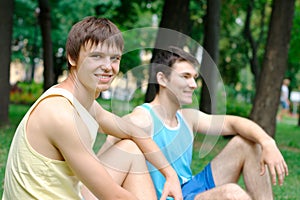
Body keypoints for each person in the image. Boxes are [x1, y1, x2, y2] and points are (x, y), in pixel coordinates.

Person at [2, 17, 182, 200]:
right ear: (72, 58)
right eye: (96, 56)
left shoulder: (85, 104)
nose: (107, 67)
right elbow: (112, 196)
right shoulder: (60, 114)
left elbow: (134, 132)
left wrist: (170, 174)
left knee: (130, 149)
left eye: (115, 58)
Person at [101, 46, 289, 200]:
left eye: (194, 78)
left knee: (246, 143)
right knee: (232, 194)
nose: (193, 85)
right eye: (185, 76)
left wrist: (268, 143)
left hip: (190, 188)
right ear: (162, 79)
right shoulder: (141, 119)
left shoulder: (188, 118)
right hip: (168, 197)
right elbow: (101, 164)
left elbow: (233, 123)